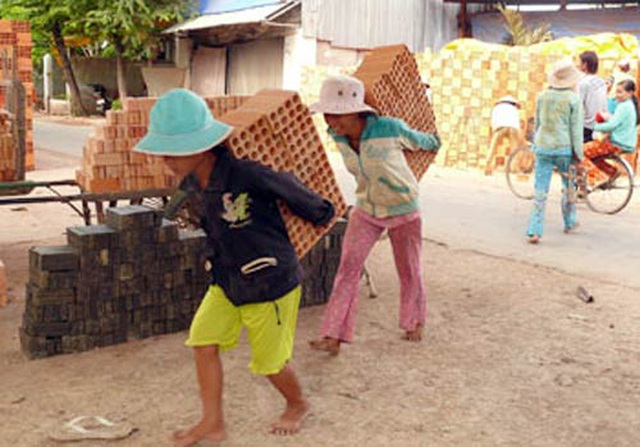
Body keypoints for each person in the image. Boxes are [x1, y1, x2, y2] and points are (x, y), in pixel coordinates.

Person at [134, 89, 335, 445]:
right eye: (162, 150)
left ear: (202, 146)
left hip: (269, 282)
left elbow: (298, 194)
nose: (165, 158)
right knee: (203, 341)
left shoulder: (246, 174)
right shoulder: (193, 184)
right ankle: (212, 422)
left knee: (270, 363)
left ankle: (298, 403)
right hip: (226, 280)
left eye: (173, 150)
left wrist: (319, 212)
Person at [307, 75, 441, 356]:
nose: (331, 121)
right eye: (328, 115)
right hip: (367, 209)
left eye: (337, 114)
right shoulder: (337, 137)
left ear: (356, 110)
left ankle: (414, 322)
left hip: (403, 209)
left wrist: (432, 142)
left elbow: (425, 142)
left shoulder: (389, 128)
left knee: (408, 268)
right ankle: (334, 335)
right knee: (347, 268)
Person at [526, 59, 584, 245]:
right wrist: (579, 154)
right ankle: (570, 221)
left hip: (543, 146)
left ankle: (534, 230)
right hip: (564, 149)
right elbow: (576, 130)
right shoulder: (573, 99)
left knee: (540, 190)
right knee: (568, 187)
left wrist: (536, 143)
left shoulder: (542, 96)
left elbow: (538, 123)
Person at [586, 79, 639, 180]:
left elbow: (612, 125)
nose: (617, 95)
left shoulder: (624, 106)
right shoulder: (629, 105)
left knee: (580, 152)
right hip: (625, 143)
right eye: (616, 91)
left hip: (616, 143)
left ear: (630, 93)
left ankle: (596, 178)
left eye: (620, 92)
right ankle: (612, 172)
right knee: (594, 155)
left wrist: (593, 126)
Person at [485, 95, 523, 175]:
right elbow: (516, 123)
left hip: (500, 127)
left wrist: (493, 133)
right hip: (513, 128)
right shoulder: (514, 109)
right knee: (514, 149)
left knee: (493, 147)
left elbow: (493, 122)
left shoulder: (497, 108)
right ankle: (514, 168)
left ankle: (488, 166)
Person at [577, 51, 607, 143]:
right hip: (599, 124)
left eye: (579, 62)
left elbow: (578, 106)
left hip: (586, 126)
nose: (578, 65)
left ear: (585, 64)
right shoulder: (601, 81)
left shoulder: (583, 83)